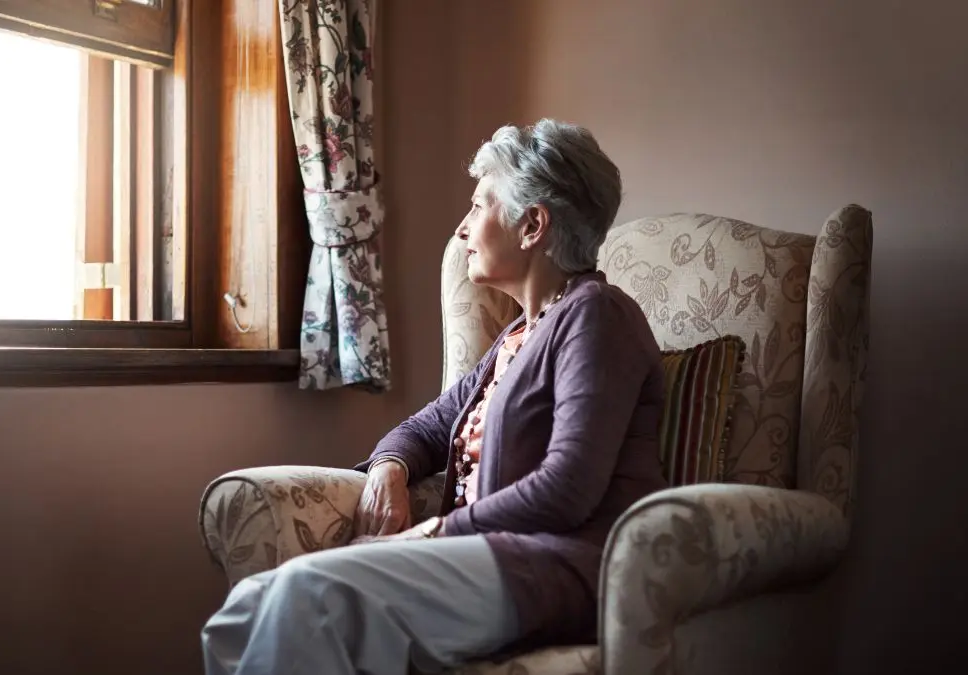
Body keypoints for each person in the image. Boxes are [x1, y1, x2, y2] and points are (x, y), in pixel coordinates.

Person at [201, 119, 668, 675]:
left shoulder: (596, 315)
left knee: (307, 593)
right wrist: (390, 468)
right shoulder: (518, 336)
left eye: (478, 206)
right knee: (243, 611)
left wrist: (434, 530)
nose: (463, 228)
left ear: (532, 225)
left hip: (559, 566)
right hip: (487, 558)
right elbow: (427, 427)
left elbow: (568, 487)